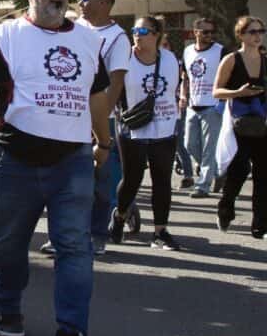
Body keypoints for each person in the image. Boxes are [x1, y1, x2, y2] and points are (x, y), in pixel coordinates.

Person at [0, 0, 110, 336]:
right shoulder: (6, 37)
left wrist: (104, 141)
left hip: (72, 161)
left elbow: (98, 96)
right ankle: (8, 305)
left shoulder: (87, 40)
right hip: (15, 163)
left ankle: (72, 335)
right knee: (8, 245)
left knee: (75, 246)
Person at [109, 16, 181, 250]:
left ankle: (160, 231)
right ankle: (119, 216)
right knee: (132, 179)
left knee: (162, 180)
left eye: (143, 30)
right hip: (133, 128)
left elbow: (172, 91)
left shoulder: (170, 59)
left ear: (157, 34)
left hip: (165, 128)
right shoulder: (124, 58)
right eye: (135, 30)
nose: (137, 34)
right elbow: (113, 89)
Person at [73, 0, 130, 256]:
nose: (81, 3)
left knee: (100, 178)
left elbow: (116, 81)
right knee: (68, 178)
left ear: (105, 3)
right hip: (69, 116)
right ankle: (68, 233)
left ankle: (98, 233)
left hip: (99, 119)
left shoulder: (118, 38)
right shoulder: (75, 28)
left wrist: (100, 121)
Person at [213, 16, 267, 239]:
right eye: (253, 31)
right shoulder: (231, 60)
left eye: (261, 31)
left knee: (264, 175)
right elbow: (216, 91)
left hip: (262, 125)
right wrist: (239, 93)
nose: (258, 35)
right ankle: (225, 208)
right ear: (241, 35)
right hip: (238, 126)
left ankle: (260, 225)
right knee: (239, 171)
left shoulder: (266, 60)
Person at [182, 18, 227, 198]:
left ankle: (203, 185)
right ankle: (216, 172)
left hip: (213, 105)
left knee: (209, 148)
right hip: (193, 104)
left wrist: (223, 101)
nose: (209, 35)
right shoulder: (187, 51)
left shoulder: (220, 51)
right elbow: (185, 75)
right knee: (189, 144)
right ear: (196, 33)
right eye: (205, 32)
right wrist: (184, 96)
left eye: (211, 32)